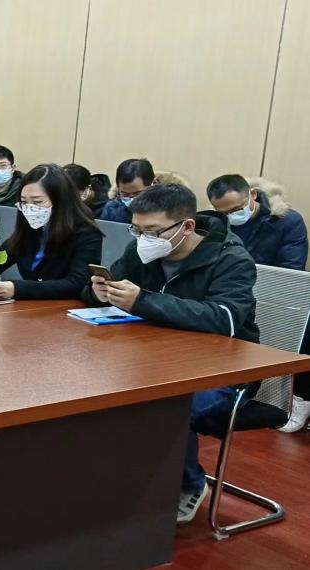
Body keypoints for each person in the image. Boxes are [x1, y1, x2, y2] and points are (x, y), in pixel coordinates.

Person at [81, 184, 258, 525]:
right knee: (99, 387)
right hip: (157, 359)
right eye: (136, 229)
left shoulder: (230, 259)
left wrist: (142, 301)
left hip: (224, 371)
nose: (143, 239)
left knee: (164, 404)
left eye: (152, 231)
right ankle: (119, 478)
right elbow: (114, 287)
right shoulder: (142, 250)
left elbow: (224, 319)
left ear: (187, 227)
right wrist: (100, 292)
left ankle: (188, 483)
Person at [0, 164, 103, 300]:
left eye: (38, 202)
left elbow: (76, 284)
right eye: (24, 202)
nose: (29, 209)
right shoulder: (31, 229)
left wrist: (17, 288)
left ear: (60, 201)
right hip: (31, 307)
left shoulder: (87, 234)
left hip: (65, 307)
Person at [206, 174, 308, 270]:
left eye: (237, 209)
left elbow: (291, 270)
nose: (231, 216)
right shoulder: (214, 223)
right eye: (224, 213)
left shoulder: (288, 221)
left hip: (270, 281)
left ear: (253, 194)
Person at [97, 158, 154, 223]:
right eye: (125, 194)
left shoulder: (163, 209)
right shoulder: (112, 209)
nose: (131, 199)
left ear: (151, 186)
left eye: (137, 194)